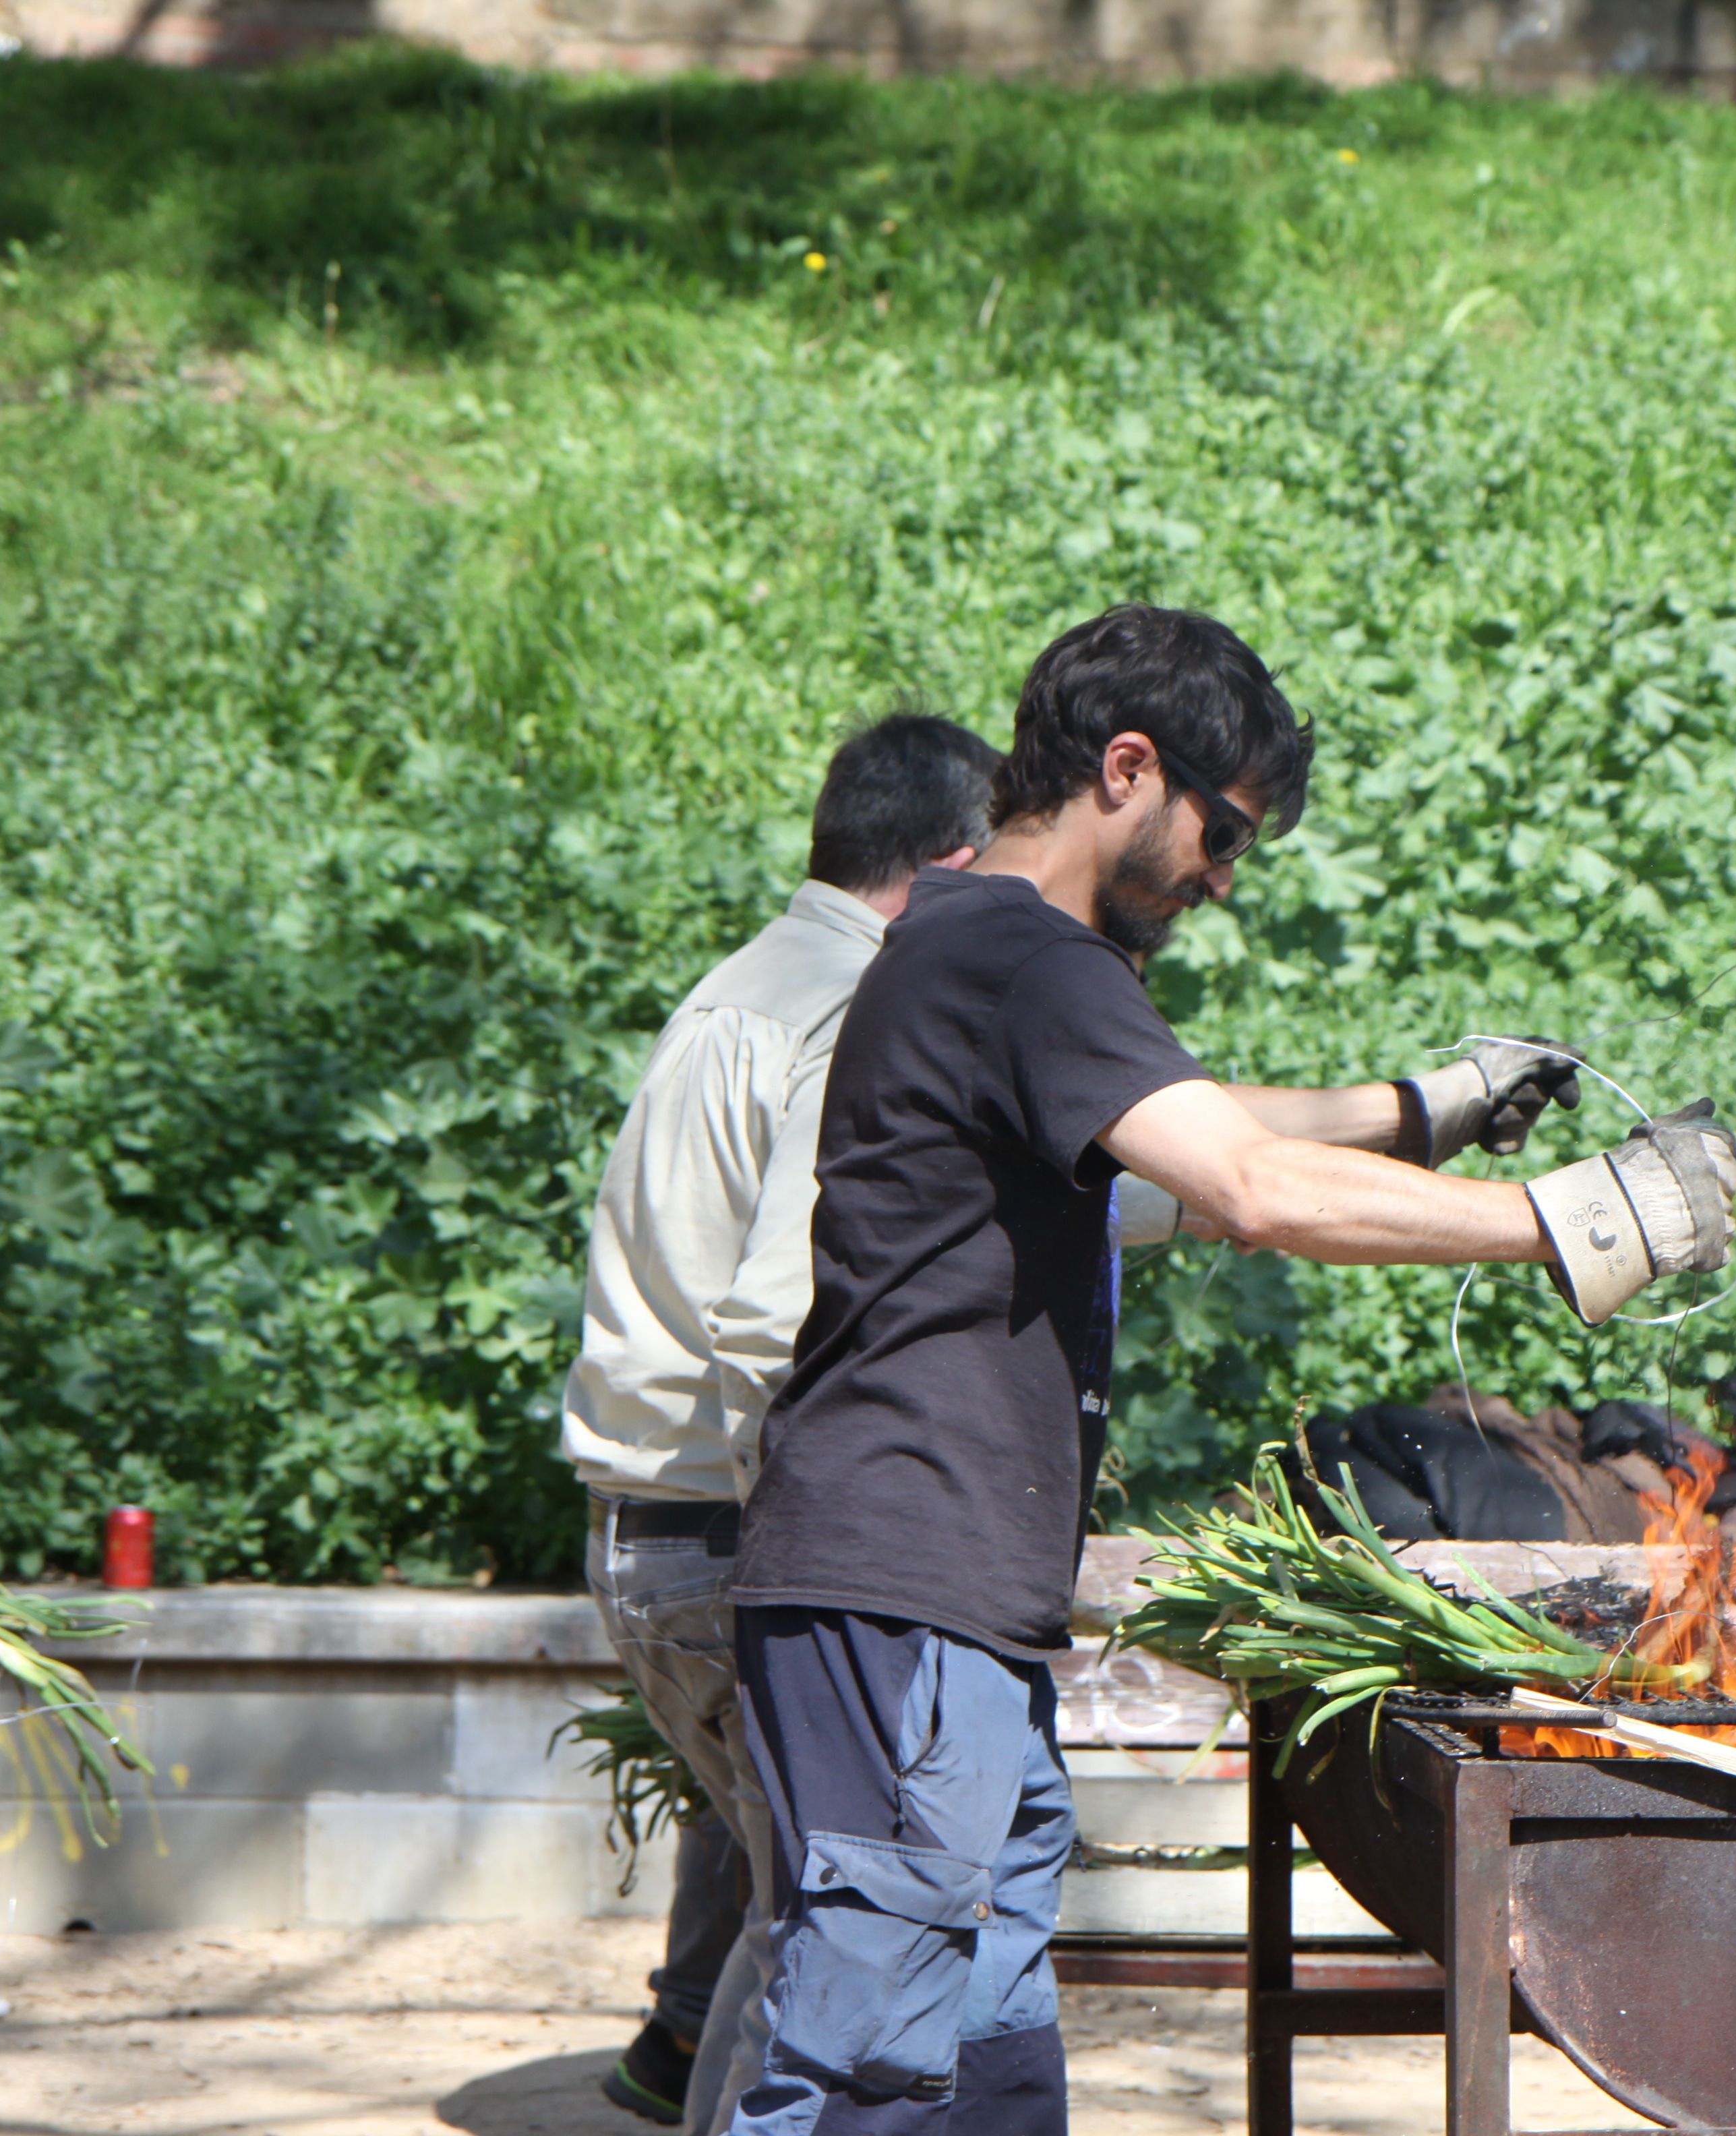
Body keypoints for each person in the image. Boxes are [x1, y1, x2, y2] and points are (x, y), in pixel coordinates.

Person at [725, 605, 1736, 2136]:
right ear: (1129, 768)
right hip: (902, 1594)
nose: (1220, 879)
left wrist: (1422, 1107)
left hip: (945, 1610)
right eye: (1225, 835)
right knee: (863, 2076)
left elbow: (1204, 1135)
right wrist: (1573, 1221)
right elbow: (1251, 1190)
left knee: (987, 2072)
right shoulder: (1032, 959)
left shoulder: (968, 939)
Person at [559, 709, 1003, 2126]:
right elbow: (768, 1319)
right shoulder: (854, 1008)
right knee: (819, 1923)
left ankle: (674, 2066)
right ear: (949, 864)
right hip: (731, 1525)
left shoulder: (744, 980)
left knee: (779, 1882)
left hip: (644, 1520)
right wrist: (823, 1543)